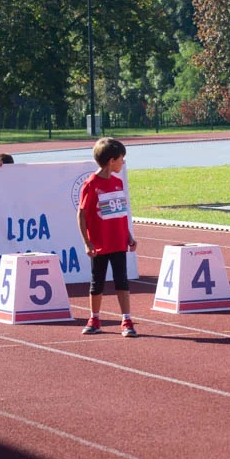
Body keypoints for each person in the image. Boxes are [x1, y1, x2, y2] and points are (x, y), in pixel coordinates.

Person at [76, 137, 139, 337]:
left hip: (119, 241)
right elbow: (82, 214)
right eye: (122, 159)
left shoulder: (118, 182)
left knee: (122, 281)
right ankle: (94, 319)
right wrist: (87, 242)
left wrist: (129, 235)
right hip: (100, 244)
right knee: (97, 282)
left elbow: (119, 213)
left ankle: (127, 320)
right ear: (112, 160)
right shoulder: (91, 184)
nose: (123, 162)